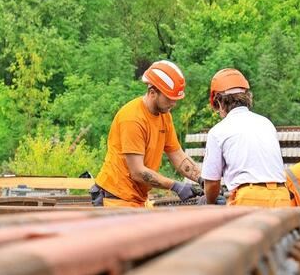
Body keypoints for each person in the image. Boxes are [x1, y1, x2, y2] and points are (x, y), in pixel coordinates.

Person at [91, 60, 203, 207]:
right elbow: (137, 172)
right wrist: (175, 186)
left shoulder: (165, 116)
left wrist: (203, 179)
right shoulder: (132, 118)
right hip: (116, 197)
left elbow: (178, 156)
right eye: (170, 98)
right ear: (152, 92)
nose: (174, 104)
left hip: (137, 199)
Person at [199, 69, 289, 207]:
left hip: (249, 197)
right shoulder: (266, 123)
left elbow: (212, 182)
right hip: (282, 196)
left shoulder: (218, 131)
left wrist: (209, 201)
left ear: (219, 101)